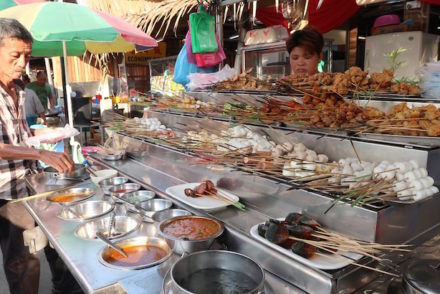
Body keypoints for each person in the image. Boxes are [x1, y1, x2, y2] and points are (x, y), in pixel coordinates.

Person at [0, 18, 74, 294]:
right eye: (15, 56)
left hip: (30, 183)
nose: (22, 63)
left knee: (49, 242)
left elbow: (18, 135)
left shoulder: (19, 90)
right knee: (23, 262)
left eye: (27, 56)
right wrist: (39, 150)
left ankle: (63, 287)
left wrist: (48, 137)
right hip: (7, 191)